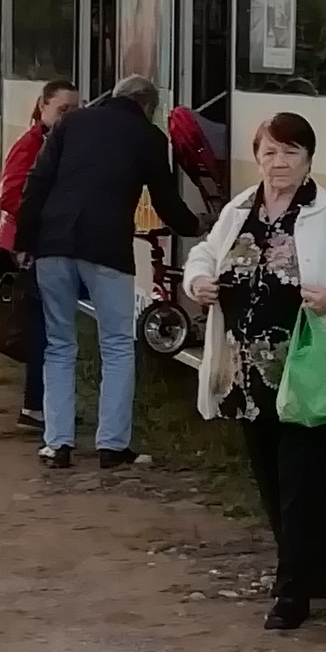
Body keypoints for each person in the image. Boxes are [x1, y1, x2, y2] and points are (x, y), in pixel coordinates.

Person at [184, 112, 326, 631]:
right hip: (247, 372)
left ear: (308, 160)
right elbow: (203, 256)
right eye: (269, 153)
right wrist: (198, 283)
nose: (279, 164)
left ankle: (292, 592)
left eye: (290, 154)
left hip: (305, 369)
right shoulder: (239, 209)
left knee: (304, 479)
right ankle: (317, 566)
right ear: (257, 157)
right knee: (273, 480)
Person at [15, 75, 201, 470]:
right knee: (116, 344)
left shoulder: (71, 123)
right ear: (148, 106)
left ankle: (58, 443)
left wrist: (26, 241)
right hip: (107, 249)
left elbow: (37, 182)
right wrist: (196, 226)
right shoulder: (148, 137)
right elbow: (166, 201)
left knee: (59, 343)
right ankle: (112, 446)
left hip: (53, 242)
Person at [0, 80, 78, 429]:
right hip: (29, 247)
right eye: (62, 110)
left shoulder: (54, 143)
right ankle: (36, 404)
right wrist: (46, 219)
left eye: (74, 111)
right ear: (42, 107)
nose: (68, 117)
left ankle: (42, 404)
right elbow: (10, 195)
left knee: (48, 323)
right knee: (43, 327)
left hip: (42, 244)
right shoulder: (31, 145)